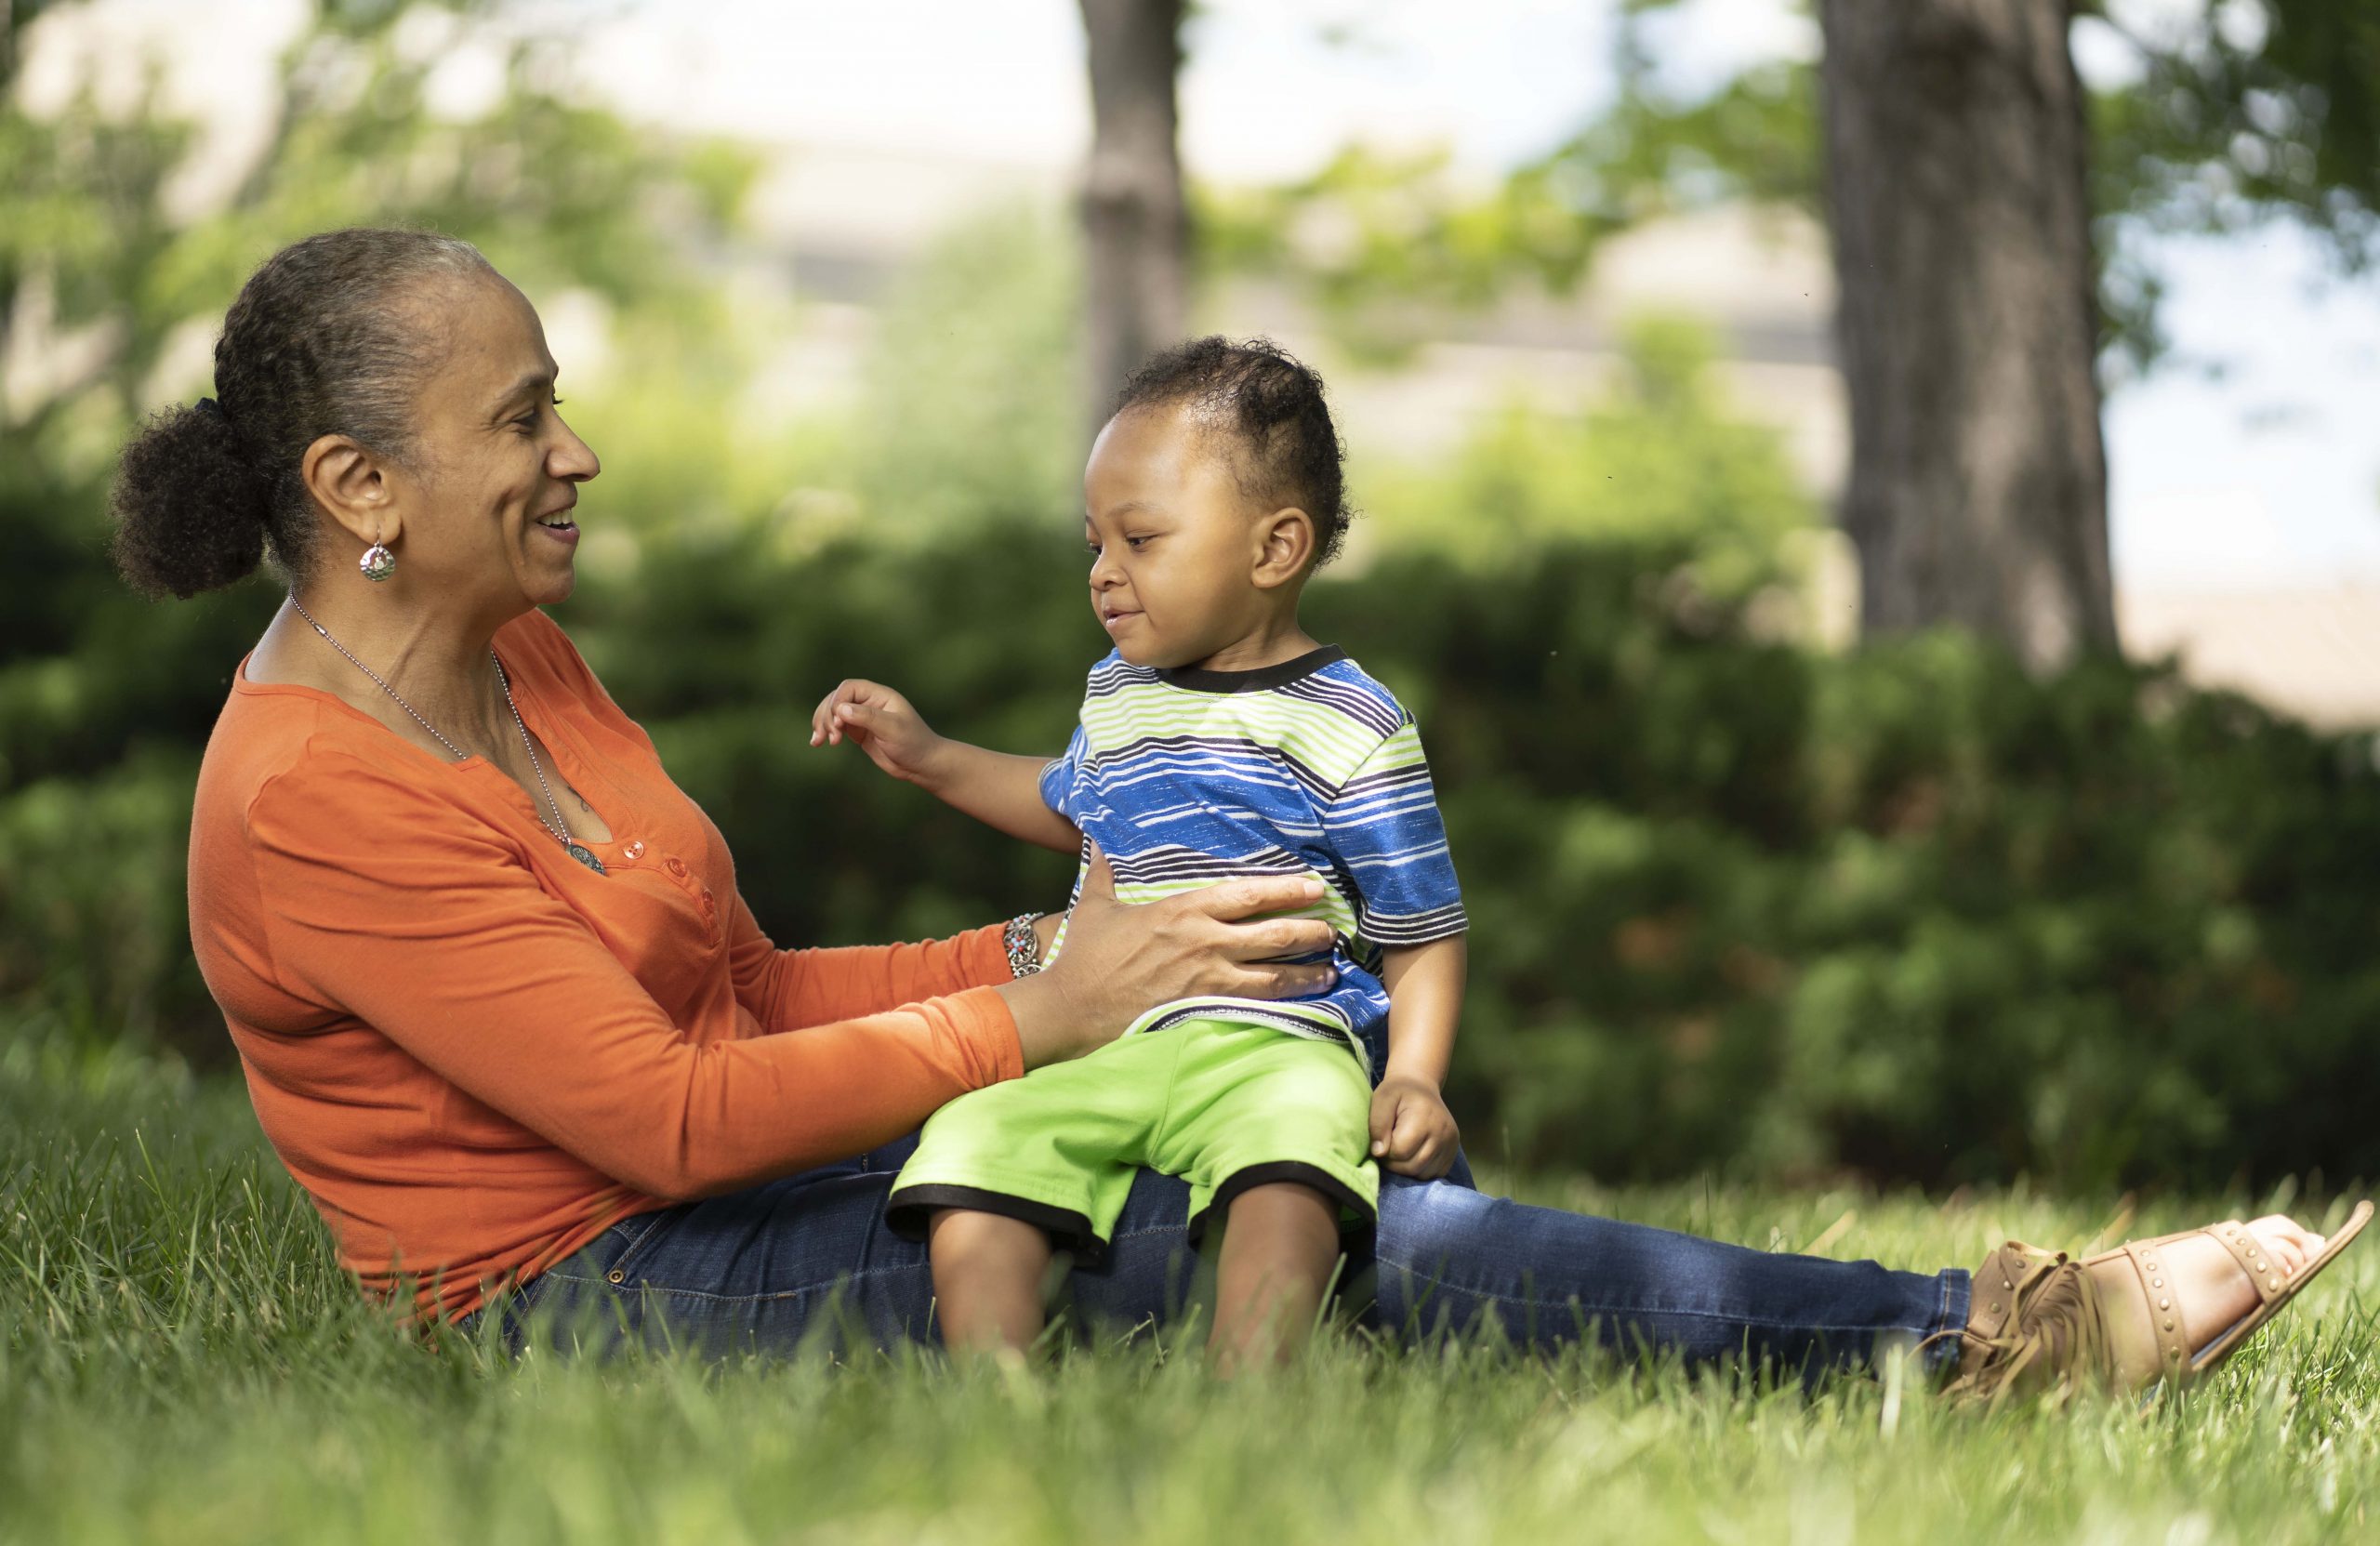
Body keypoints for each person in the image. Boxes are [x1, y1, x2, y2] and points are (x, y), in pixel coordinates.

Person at [114, 228, 2366, 1399]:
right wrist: (1046, 1014)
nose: (572, 450)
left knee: (1273, 1133)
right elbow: (672, 1119)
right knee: (1257, 1237)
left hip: (732, 1160)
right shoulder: (308, 795)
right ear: (356, 490)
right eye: (524, 415)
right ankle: (1972, 1338)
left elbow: (739, 986)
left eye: (557, 401)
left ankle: (1838, 1321)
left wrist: (1044, 964)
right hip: (590, 1285)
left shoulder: (509, 650)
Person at [809, 338, 1467, 1368]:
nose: (1104, 575)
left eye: (1140, 540)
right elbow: (1074, 807)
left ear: (1273, 548)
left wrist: (1417, 1076)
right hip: (1105, 1032)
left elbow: (1422, 927)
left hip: (1275, 1038)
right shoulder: (1118, 691)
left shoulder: (1352, 721)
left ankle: (1249, 1390)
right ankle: (997, 1394)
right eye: (1093, 546)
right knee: (979, 1136)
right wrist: (932, 756)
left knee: (1290, 1167)